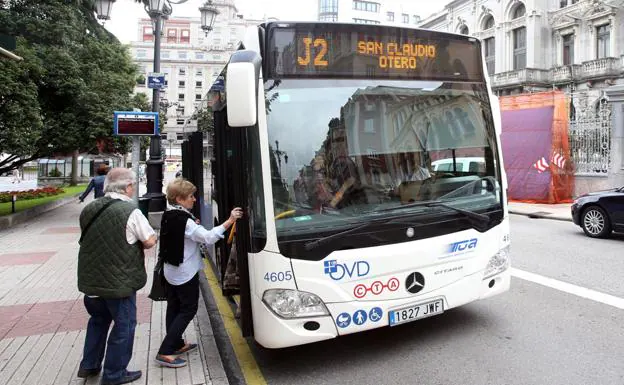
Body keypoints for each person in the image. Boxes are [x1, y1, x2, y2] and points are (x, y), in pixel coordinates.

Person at [77, 167, 157, 385]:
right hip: (118, 283)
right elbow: (149, 241)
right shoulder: (130, 211)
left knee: (97, 321)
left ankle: (90, 365)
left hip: (91, 280)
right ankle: (114, 374)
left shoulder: (90, 208)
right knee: (124, 326)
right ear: (128, 187)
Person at [155, 178, 242, 368]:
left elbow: (183, 232)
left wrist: (191, 221)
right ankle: (166, 351)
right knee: (188, 309)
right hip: (185, 273)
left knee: (174, 307)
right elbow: (209, 238)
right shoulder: (185, 222)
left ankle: (176, 343)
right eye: (190, 196)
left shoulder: (170, 214)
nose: (194, 199)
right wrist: (230, 220)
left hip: (170, 271)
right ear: (179, 199)